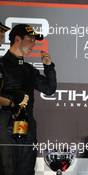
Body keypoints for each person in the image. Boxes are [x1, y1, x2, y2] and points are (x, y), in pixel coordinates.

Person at [0, 24, 57, 175]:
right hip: (5, 128)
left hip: (27, 129)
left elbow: (49, 89)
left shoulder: (28, 69)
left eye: (35, 40)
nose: (34, 44)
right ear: (17, 39)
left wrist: (49, 67)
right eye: (30, 39)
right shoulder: (1, 64)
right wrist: (11, 102)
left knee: (26, 171)